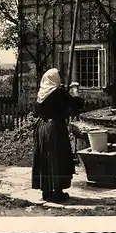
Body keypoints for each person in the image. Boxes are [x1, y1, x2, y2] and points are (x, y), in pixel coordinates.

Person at [32, 68, 84, 202]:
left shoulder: (41, 93)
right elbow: (76, 105)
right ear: (54, 78)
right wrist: (75, 91)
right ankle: (58, 192)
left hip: (42, 128)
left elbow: (37, 111)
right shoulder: (58, 93)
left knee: (45, 157)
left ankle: (46, 190)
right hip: (54, 128)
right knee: (57, 157)